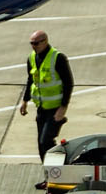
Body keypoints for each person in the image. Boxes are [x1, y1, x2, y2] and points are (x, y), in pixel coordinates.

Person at [21, 28, 72, 185]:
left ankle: (59, 174)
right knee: (41, 146)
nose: (33, 46)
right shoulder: (32, 58)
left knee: (46, 142)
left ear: (45, 41)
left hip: (55, 110)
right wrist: (25, 100)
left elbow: (68, 82)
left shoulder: (58, 58)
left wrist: (63, 107)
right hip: (41, 109)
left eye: (36, 43)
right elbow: (31, 80)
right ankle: (51, 177)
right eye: (31, 43)